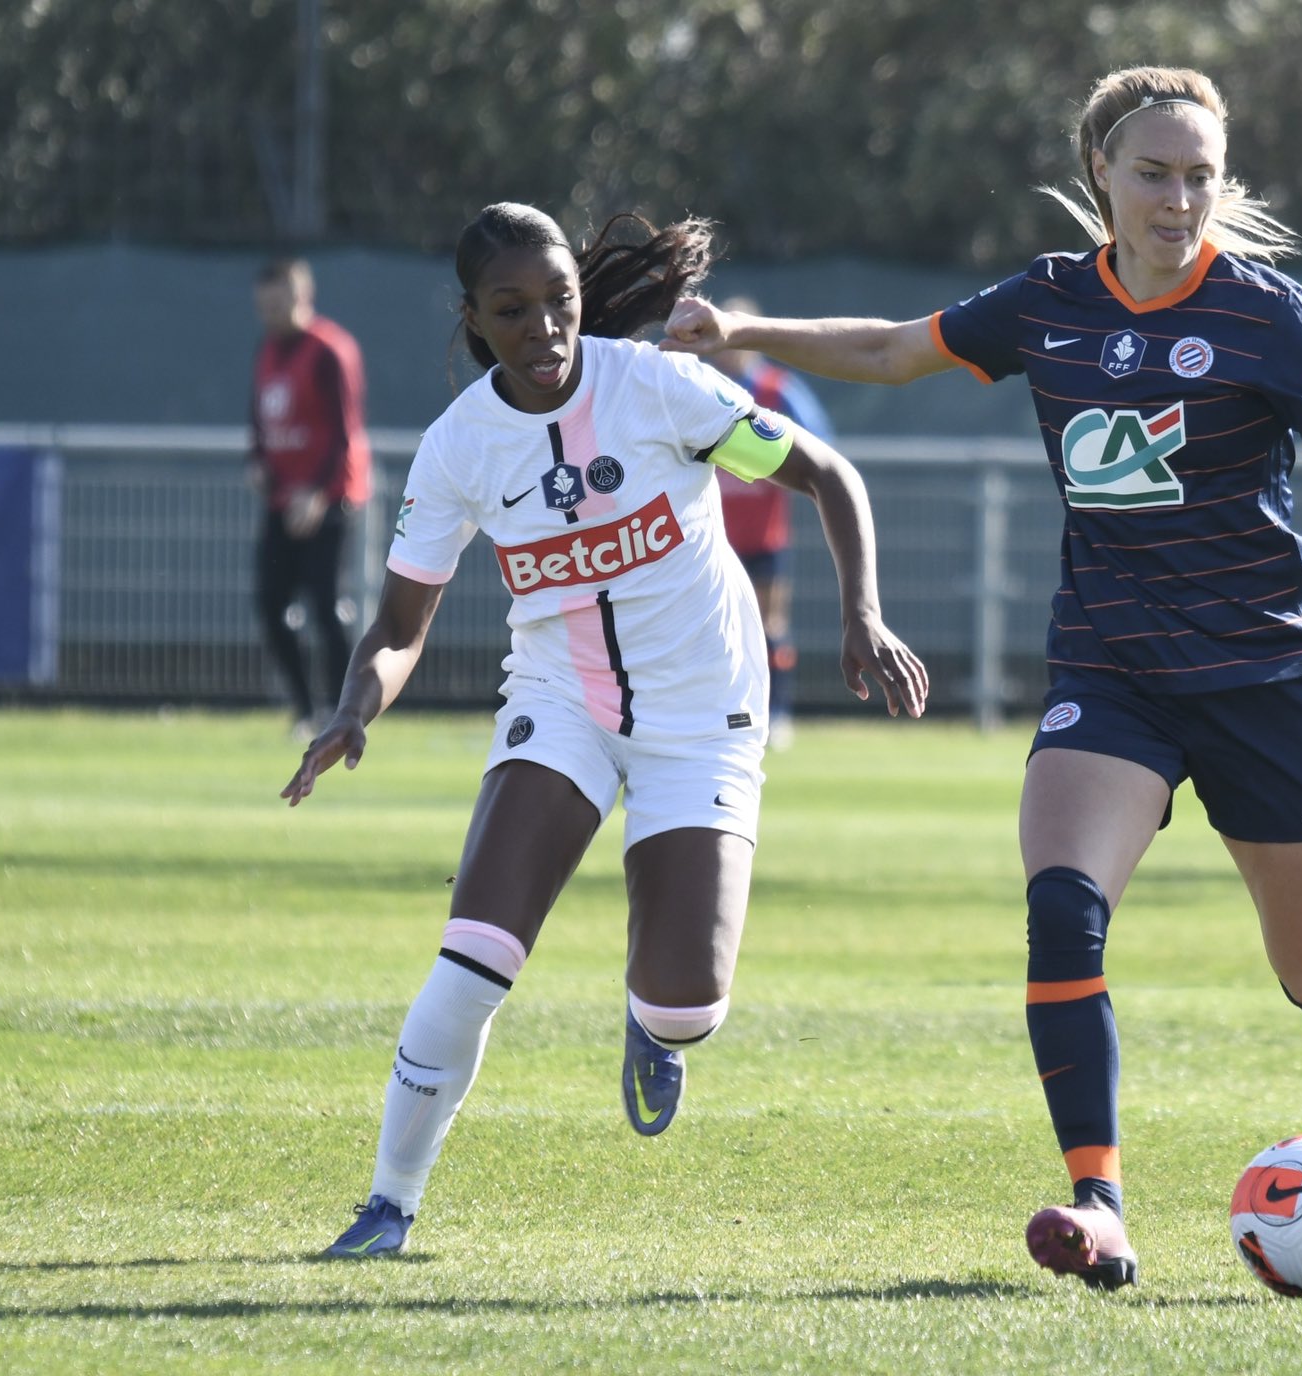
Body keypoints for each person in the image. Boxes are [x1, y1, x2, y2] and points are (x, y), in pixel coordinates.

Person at [664, 65, 1302, 1290]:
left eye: (1200, 176)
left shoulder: (1267, 314)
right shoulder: (1047, 302)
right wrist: (742, 333)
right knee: (1059, 906)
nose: (1178, 199)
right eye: (1153, 173)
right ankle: (1101, 1205)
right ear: (1100, 171)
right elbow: (888, 348)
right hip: (1112, 670)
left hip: (1262, 678)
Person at [282, 203, 928, 1258]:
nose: (541, 331)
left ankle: (654, 1024)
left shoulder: (659, 387)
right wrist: (355, 707)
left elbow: (825, 473)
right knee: (471, 960)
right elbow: (398, 627)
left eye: (558, 305)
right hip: (561, 704)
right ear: (473, 319)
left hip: (704, 707)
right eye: (512, 311)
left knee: (685, 1004)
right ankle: (387, 1204)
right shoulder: (457, 451)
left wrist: (862, 612)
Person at [705, 296, 839, 749]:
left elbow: (820, 439)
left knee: (768, 624)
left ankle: (776, 714)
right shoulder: (702, 386)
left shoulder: (774, 388)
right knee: (711, 629)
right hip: (710, 534)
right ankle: (718, 715)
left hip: (762, 531)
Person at [249, 257, 373, 739]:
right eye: (263, 306)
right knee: (270, 604)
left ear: (302, 298)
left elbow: (345, 434)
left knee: (325, 606)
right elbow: (258, 421)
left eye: (278, 304)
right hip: (282, 502)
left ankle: (346, 711)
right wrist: (256, 460)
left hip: (329, 500)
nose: (270, 315)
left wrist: (317, 496)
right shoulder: (268, 350)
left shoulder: (329, 351)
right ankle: (305, 710)